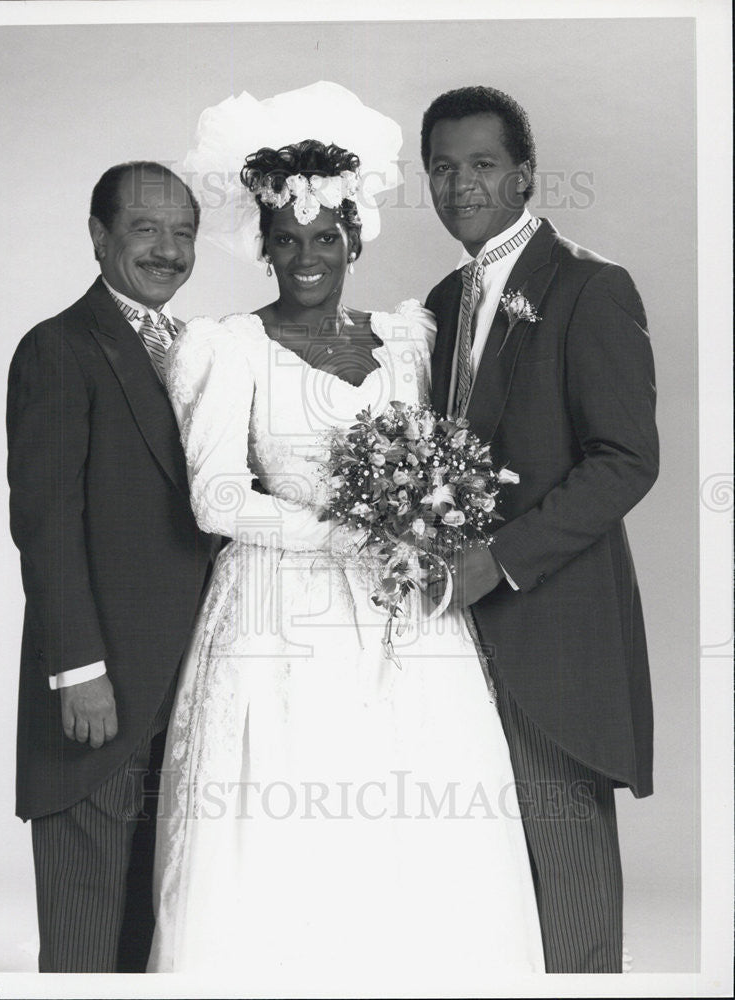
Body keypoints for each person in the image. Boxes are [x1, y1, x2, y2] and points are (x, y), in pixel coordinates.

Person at [147, 83, 544, 992]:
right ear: (264, 246)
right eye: (286, 240)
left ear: (355, 239)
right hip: (275, 612)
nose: (306, 258)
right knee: (283, 812)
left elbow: (442, 448)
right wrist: (342, 531)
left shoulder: (409, 339)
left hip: (401, 606)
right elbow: (214, 497)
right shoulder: (228, 347)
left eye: (325, 238)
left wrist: (420, 518)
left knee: (414, 805)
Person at [422, 85, 659, 973]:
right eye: (442, 168)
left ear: (524, 176)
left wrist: (499, 562)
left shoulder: (591, 287)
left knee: (566, 880)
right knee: (482, 883)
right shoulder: (441, 301)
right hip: (450, 633)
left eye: (482, 165)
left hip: (550, 625)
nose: (461, 186)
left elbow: (626, 459)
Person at [6, 161, 212, 972]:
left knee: (150, 935)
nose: (168, 250)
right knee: (86, 937)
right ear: (98, 238)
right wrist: (79, 671)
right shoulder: (59, 348)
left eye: (184, 233)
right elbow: (46, 523)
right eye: (145, 229)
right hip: (98, 693)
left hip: (187, 686)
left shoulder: (200, 351)